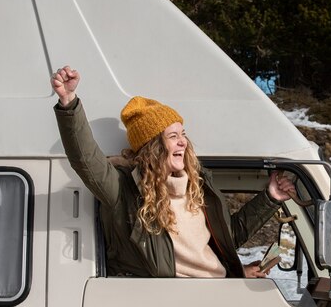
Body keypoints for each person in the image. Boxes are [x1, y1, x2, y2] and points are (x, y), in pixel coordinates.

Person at [51, 66, 295, 278]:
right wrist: (69, 103)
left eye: (183, 135)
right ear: (154, 148)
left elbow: (226, 239)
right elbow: (86, 159)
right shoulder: (123, 191)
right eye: (173, 136)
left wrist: (270, 197)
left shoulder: (198, 187)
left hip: (217, 294)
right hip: (172, 305)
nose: (183, 143)